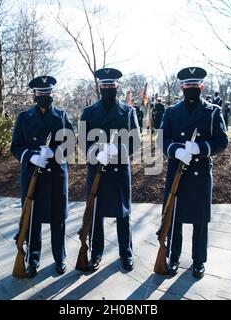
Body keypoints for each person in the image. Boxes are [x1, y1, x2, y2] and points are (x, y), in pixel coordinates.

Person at [160, 67, 228, 279]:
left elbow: (222, 140)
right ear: (181, 87)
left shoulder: (213, 111)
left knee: (200, 219)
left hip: (199, 172)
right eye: (187, 85)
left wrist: (201, 148)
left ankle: (198, 261)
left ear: (202, 86)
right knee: (175, 216)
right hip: (176, 169)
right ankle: (173, 257)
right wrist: (176, 150)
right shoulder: (170, 112)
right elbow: (162, 139)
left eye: (194, 85)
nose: (191, 88)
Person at [10, 75, 74, 277]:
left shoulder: (62, 117)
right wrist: (31, 157)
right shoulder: (23, 117)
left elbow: (71, 144)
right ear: (34, 95)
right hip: (32, 176)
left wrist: (55, 152)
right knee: (32, 219)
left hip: (56, 175)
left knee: (58, 220)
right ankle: (33, 260)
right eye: (41, 93)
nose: (45, 96)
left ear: (52, 94)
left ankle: (60, 258)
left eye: (48, 93)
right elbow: (16, 147)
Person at [79, 68, 140, 272]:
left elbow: (136, 142)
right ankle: (96, 253)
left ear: (117, 87)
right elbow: (81, 142)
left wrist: (118, 150)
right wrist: (96, 153)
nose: (108, 89)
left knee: (123, 215)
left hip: (119, 170)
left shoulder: (128, 111)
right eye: (104, 86)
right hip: (97, 170)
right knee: (97, 213)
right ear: (100, 87)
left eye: (111, 86)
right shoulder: (88, 113)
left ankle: (126, 253)